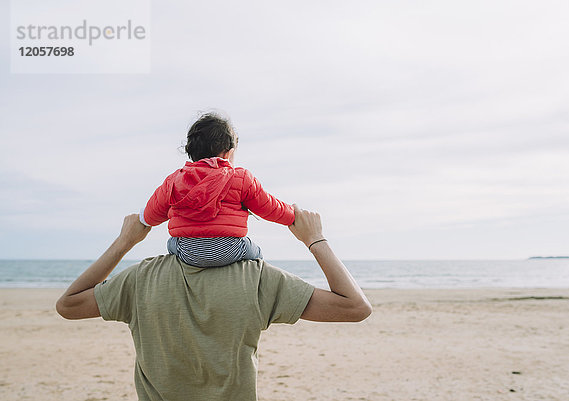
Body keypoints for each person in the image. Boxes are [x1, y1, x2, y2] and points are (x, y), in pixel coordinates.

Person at [56, 205, 372, 401]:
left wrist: (124, 242)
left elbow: (69, 305)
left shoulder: (141, 278)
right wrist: (315, 239)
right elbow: (355, 307)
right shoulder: (259, 278)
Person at [140, 112, 294, 267]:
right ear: (228, 153)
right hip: (230, 250)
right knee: (257, 252)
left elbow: (150, 215)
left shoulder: (173, 181)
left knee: (172, 243)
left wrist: (141, 218)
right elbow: (269, 207)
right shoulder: (240, 178)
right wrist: (292, 213)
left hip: (187, 252)